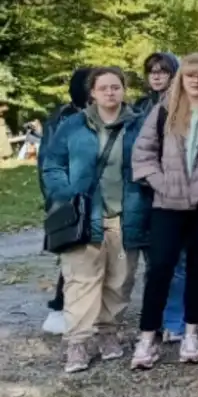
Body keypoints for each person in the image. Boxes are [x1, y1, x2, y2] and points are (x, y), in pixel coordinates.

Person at [41, 69, 150, 372]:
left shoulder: (139, 125)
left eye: (116, 87)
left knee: (119, 280)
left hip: (125, 215)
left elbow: (153, 159)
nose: (110, 93)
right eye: (104, 88)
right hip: (85, 217)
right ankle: (77, 343)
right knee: (81, 281)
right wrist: (67, 195)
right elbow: (52, 165)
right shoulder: (73, 126)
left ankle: (107, 333)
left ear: (124, 90)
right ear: (92, 93)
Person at [129, 53, 198, 370]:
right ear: (181, 79)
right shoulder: (164, 110)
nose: (197, 81)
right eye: (190, 75)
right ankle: (147, 338)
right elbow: (142, 153)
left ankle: (190, 332)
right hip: (168, 204)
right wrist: (161, 183)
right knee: (160, 267)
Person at [133, 52, 188, 344]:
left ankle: (175, 321)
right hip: (144, 195)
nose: (156, 76)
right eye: (151, 71)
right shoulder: (140, 108)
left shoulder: (184, 105)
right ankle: (152, 321)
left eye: (162, 71)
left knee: (177, 262)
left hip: (175, 195)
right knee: (153, 264)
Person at [38, 67, 92, 335]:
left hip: (103, 199)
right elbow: (49, 164)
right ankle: (60, 308)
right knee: (73, 256)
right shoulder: (62, 120)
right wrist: (62, 197)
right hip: (72, 200)